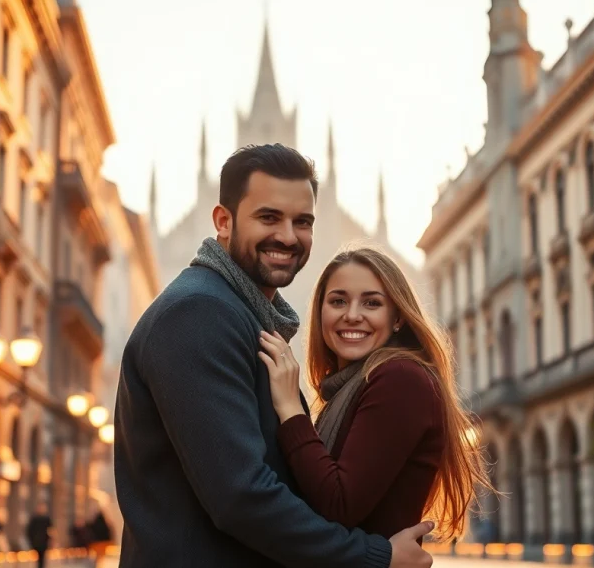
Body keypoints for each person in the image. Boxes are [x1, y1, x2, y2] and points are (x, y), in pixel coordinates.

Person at [114, 143, 434, 568]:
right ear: (223, 221)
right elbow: (240, 496)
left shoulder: (243, 315)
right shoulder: (199, 312)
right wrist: (373, 555)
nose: (287, 236)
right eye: (268, 217)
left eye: (302, 222)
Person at [257, 247, 491, 543]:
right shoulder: (349, 387)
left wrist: (290, 408)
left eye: (371, 303)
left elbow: (338, 505)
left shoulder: (400, 378)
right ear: (320, 313)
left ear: (397, 318)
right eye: (338, 301)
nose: (352, 315)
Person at [25, 503, 52, 568]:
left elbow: (50, 530)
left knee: (41, 558)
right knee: (40, 558)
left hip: (43, 542)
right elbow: (30, 531)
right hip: (37, 542)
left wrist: (50, 539)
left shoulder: (46, 519)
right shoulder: (34, 519)